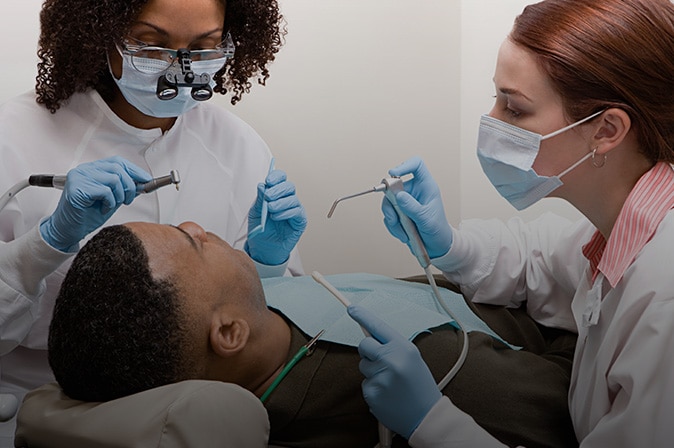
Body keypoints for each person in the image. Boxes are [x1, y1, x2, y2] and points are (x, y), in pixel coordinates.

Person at [347, 0, 674, 446]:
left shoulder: (664, 301)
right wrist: (450, 245)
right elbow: (539, 258)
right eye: (495, 97)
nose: (492, 123)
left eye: (514, 109)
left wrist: (432, 422)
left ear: (606, 131)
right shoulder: (628, 220)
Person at [0, 0, 306, 444]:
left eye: (204, 47)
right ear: (99, 32)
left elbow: (258, 337)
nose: (180, 69)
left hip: (204, 417)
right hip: (36, 410)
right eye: (151, 45)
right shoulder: (13, 139)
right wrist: (44, 245)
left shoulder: (239, 147)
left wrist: (269, 267)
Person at [48, 221, 579, 448]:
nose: (197, 224)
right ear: (229, 332)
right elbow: (580, 403)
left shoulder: (265, 315)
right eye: (194, 245)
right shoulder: (437, 376)